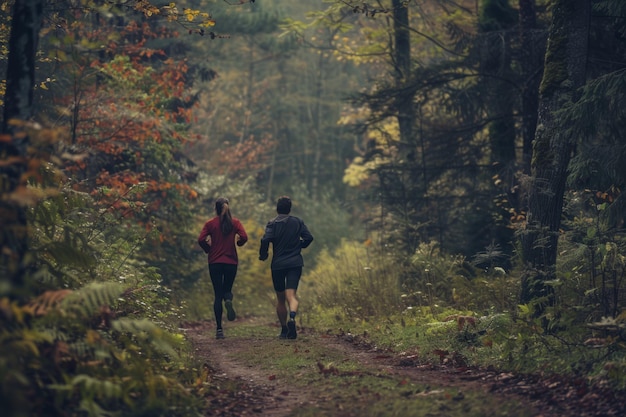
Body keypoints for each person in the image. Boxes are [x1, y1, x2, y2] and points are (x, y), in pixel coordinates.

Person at [259, 196, 313, 340]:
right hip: (295, 263)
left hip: (278, 265)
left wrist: (263, 254)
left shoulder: (272, 223)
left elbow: (265, 239)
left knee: (281, 299)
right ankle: (293, 318)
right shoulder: (297, 222)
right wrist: (299, 245)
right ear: (289, 209)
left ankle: (284, 330)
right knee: (292, 296)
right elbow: (309, 238)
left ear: (277, 208)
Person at [198, 197, 248, 339]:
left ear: (216, 208)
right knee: (227, 290)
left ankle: (219, 329)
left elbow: (201, 240)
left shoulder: (210, 224)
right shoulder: (235, 223)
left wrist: (208, 248)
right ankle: (228, 300)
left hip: (214, 262)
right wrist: (239, 243)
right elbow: (244, 236)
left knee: (217, 295)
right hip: (231, 262)